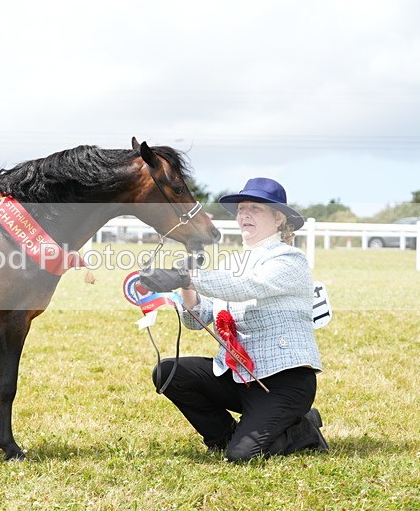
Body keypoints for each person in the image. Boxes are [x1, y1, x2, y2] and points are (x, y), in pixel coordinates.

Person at [139, 177, 328, 462]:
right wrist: (186, 286)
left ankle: (303, 428)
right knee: (169, 373)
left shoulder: (290, 260)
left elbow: (248, 286)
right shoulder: (231, 264)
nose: (244, 215)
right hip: (238, 377)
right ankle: (223, 436)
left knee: (242, 457)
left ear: (278, 219)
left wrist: (188, 277)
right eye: (241, 209)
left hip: (284, 381)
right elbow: (197, 320)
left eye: (255, 208)